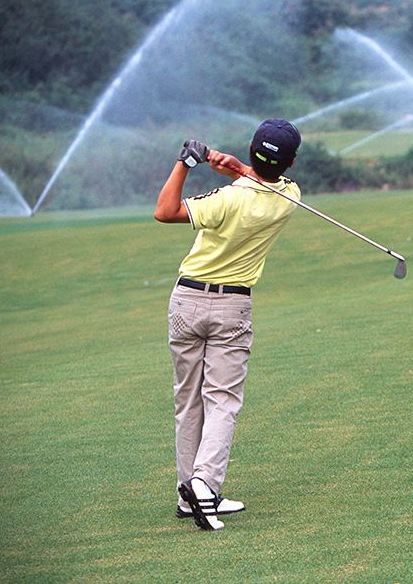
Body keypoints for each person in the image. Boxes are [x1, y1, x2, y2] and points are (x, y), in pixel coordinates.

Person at [154, 118, 302, 531]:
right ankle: (203, 486)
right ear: (290, 163)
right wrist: (237, 169)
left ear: (251, 149)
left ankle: (189, 493)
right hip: (231, 307)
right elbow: (260, 181)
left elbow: (164, 211)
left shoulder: (224, 198)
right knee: (222, 400)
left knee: (189, 401)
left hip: (185, 301)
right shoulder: (291, 197)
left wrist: (186, 163)